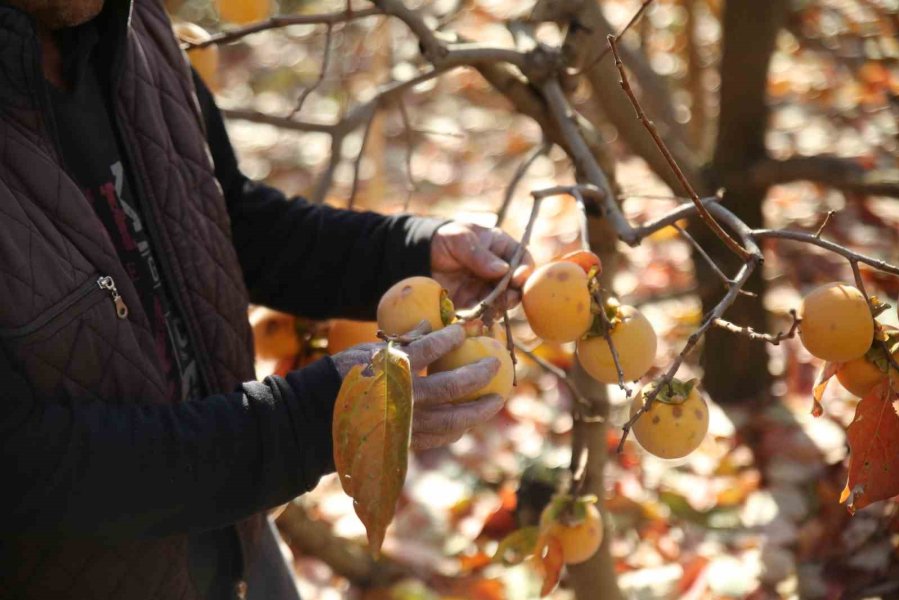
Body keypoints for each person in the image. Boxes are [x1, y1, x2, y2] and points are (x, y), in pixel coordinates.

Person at [0, 0, 533, 598]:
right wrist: (303, 424)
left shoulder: (130, 28)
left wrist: (409, 253)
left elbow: (223, 217)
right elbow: (26, 465)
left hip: (238, 541)